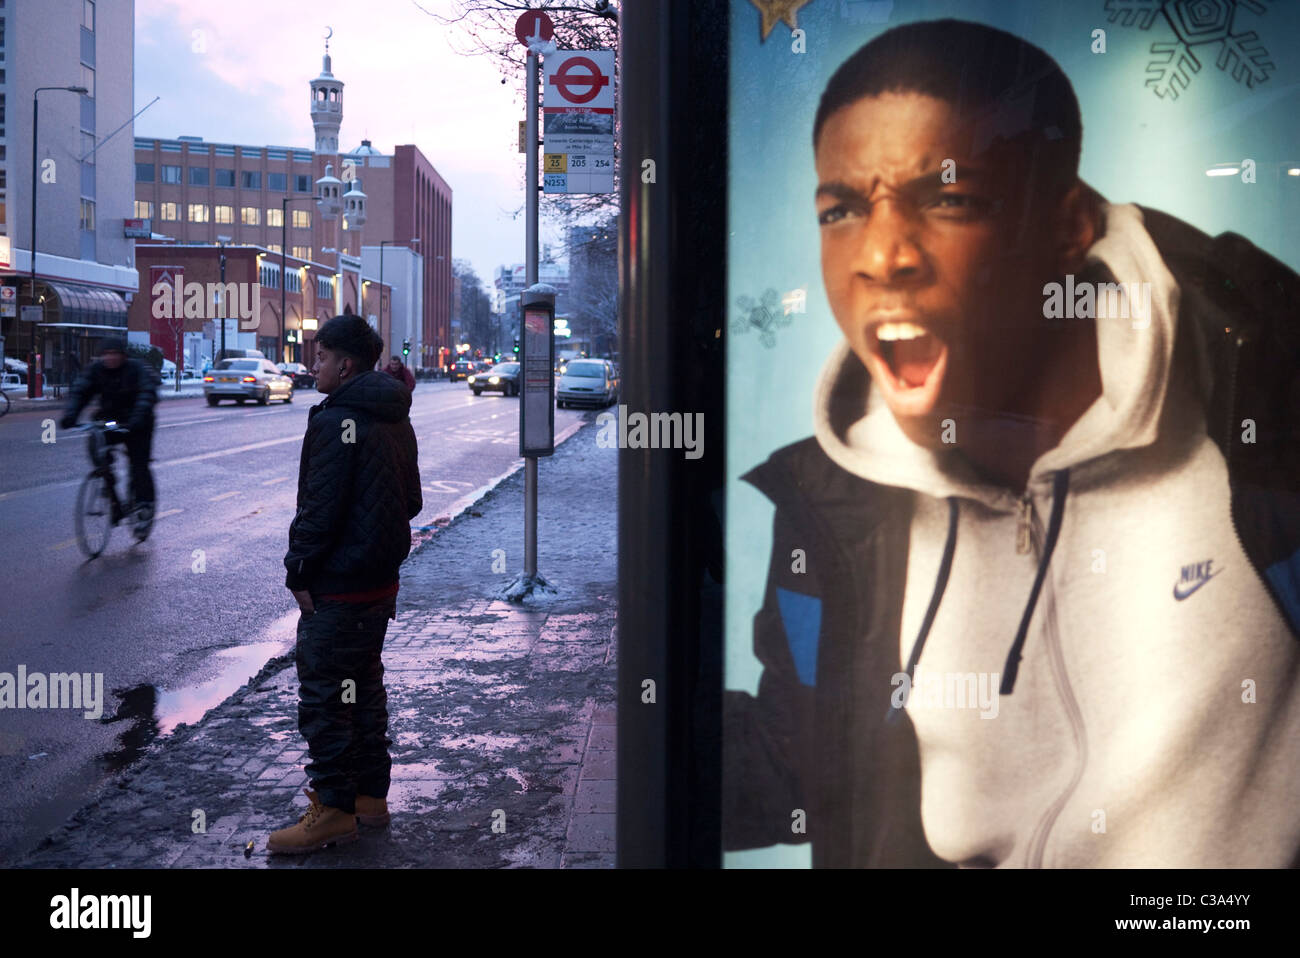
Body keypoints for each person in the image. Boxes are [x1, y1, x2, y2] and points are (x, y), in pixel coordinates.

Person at [724, 19, 1300, 868]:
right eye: (841, 209)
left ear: (1071, 225)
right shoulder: (832, 496)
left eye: (950, 198)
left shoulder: (1267, 390)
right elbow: (802, 755)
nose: (882, 254)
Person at [268, 314, 423, 855]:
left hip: (337, 587)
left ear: (345, 363)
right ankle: (369, 800)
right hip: (379, 585)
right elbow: (411, 502)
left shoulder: (337, 421)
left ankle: (332, 810)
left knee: (325, 698)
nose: (314, 366)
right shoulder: (393, 415)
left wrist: (300, 570)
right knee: (364, 692)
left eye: (321, 357)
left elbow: (319, 510)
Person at [60, 339, 160, 532]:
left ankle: (145, 505)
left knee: (139, 464)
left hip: (138, 422)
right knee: (96, 445)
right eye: (106, 353)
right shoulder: (96, 370)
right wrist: (70, 415)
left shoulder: (136, 369)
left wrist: (137, 419)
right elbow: (81, 391)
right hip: (111, 420)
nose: (110, 357)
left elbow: (147, 394)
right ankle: (112, 494)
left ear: (123, 355)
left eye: (115, 353)